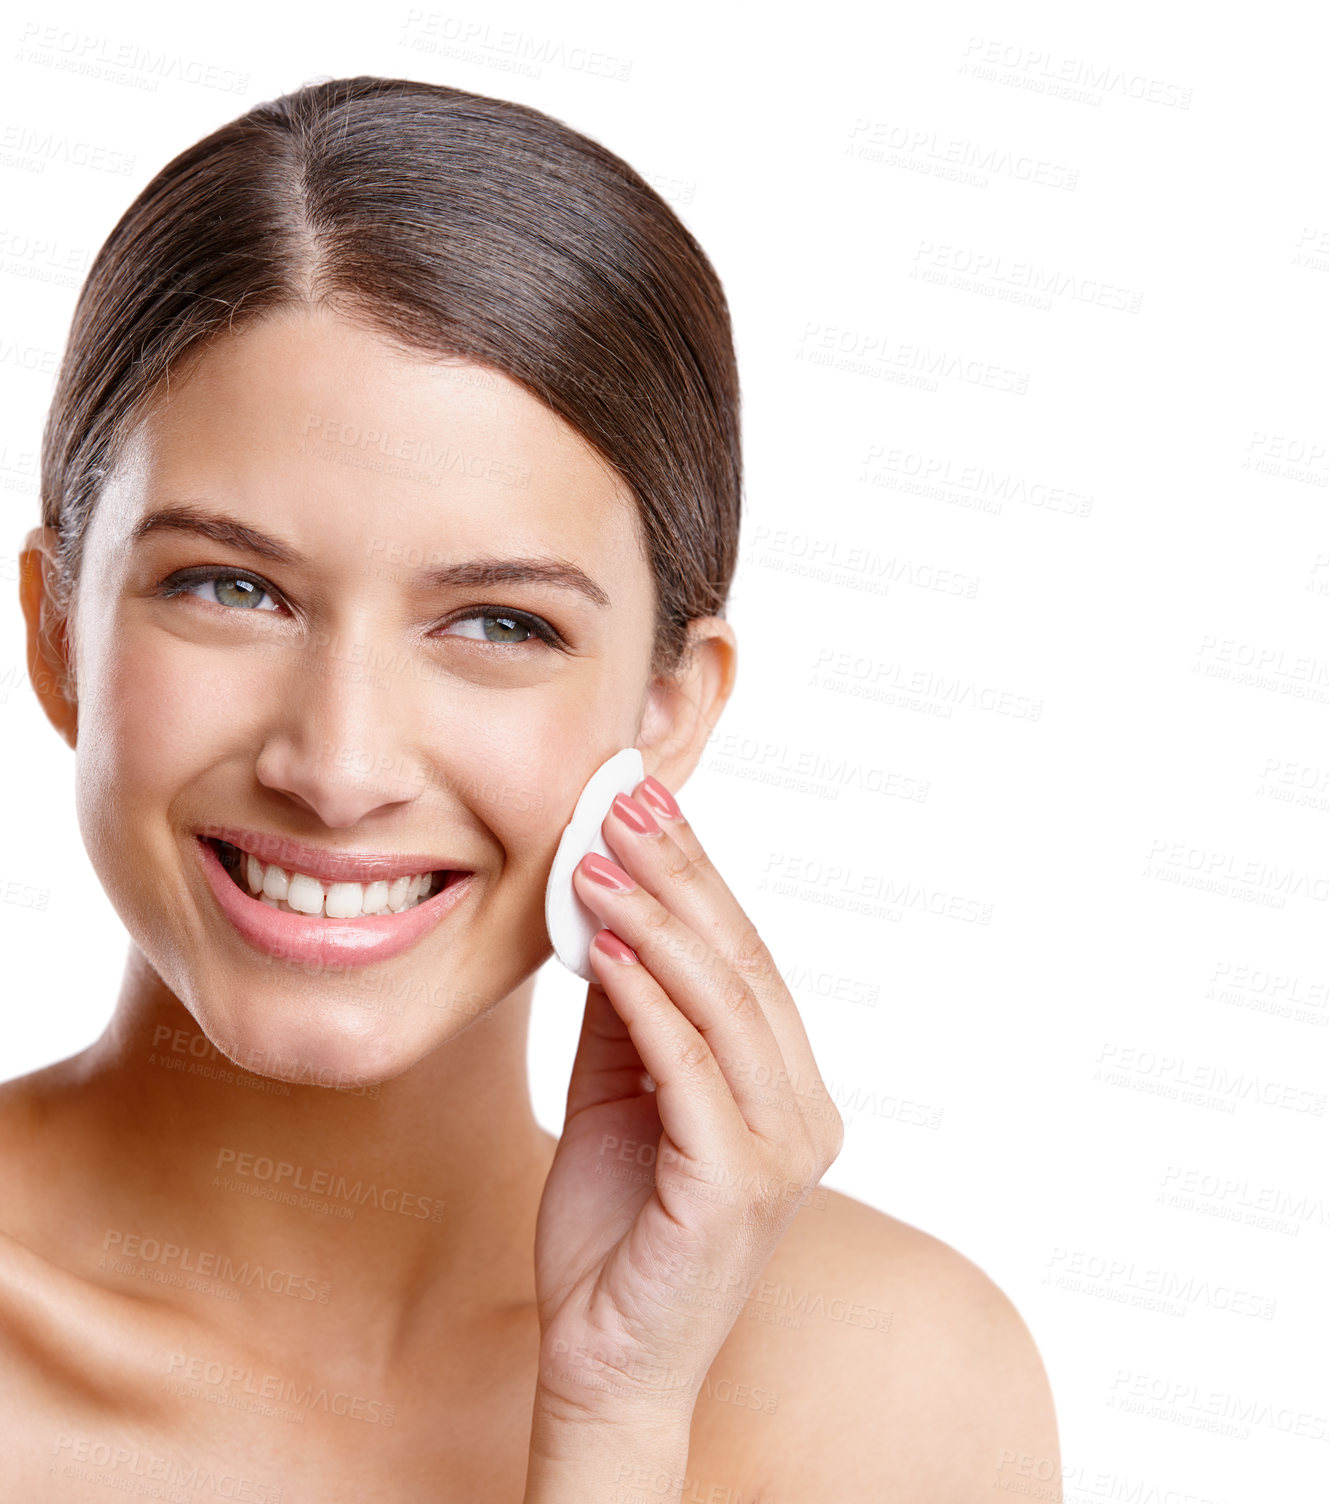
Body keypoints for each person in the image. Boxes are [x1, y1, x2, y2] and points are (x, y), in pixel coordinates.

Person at [4, 75, 1060, 1500]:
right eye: (230, 587)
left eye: (501, 624)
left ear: (666, 710)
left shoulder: (886, 1388)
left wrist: (617, 1425)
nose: (341, 764)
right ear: (61, 633)